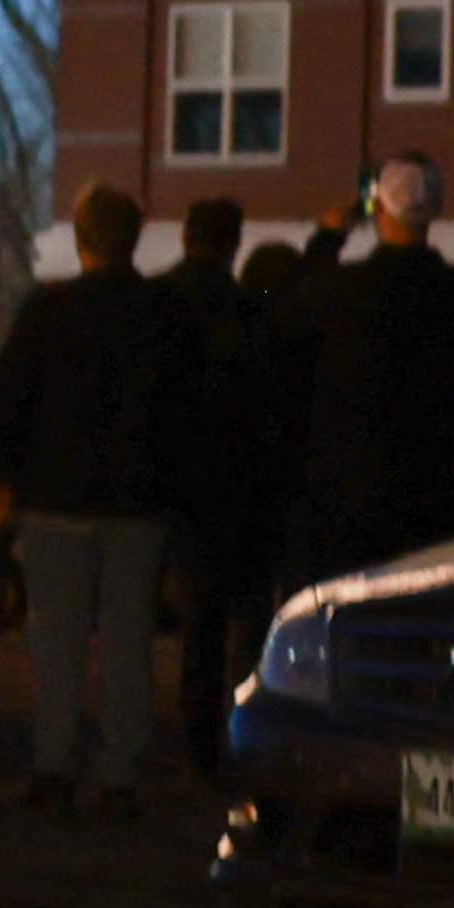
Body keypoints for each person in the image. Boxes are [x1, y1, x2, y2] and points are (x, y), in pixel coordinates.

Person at [0, 183, 184, 816]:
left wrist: (12, 475)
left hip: (58, 501)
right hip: (138, 503)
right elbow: (188, 408)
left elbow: (7, 401)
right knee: (129, 642)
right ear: (135, 238)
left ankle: (54, 765)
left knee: (58, 642)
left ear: (80, 239)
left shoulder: (48, 309)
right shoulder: (163, 312)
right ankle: (120, 772)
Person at [280, 151, 454, 587]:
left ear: (377, 207)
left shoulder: (341, 289)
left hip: (345, 499)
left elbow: (288, 305)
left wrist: (325, 239)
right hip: (429, 492)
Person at [156, 196, 280, 718]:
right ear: (233, 243)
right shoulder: (250, 309)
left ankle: (198, 733)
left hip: (180, 484)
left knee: (199, 629)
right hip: (243, 483)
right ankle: (241, 724)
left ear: (186, 236)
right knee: (246, 622)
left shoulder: (157, 301)